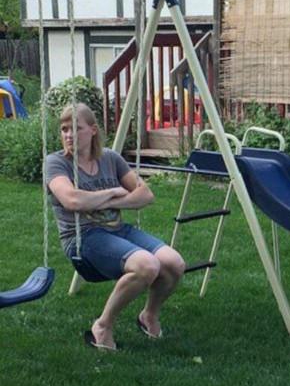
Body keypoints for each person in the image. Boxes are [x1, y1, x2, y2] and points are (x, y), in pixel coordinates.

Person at [45, 103, 185, 351]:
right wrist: (110, 192)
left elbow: (146, 195)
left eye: (75, 129)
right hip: (84, 237)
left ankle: (149, 315)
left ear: (93, 130)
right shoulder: (56, 163)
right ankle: (103, 325)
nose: (68, 135)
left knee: (174, 263)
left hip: (118, 230)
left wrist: (102, 200)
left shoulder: (110, 158)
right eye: (64, 129)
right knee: (147, 265)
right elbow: (72, 200)